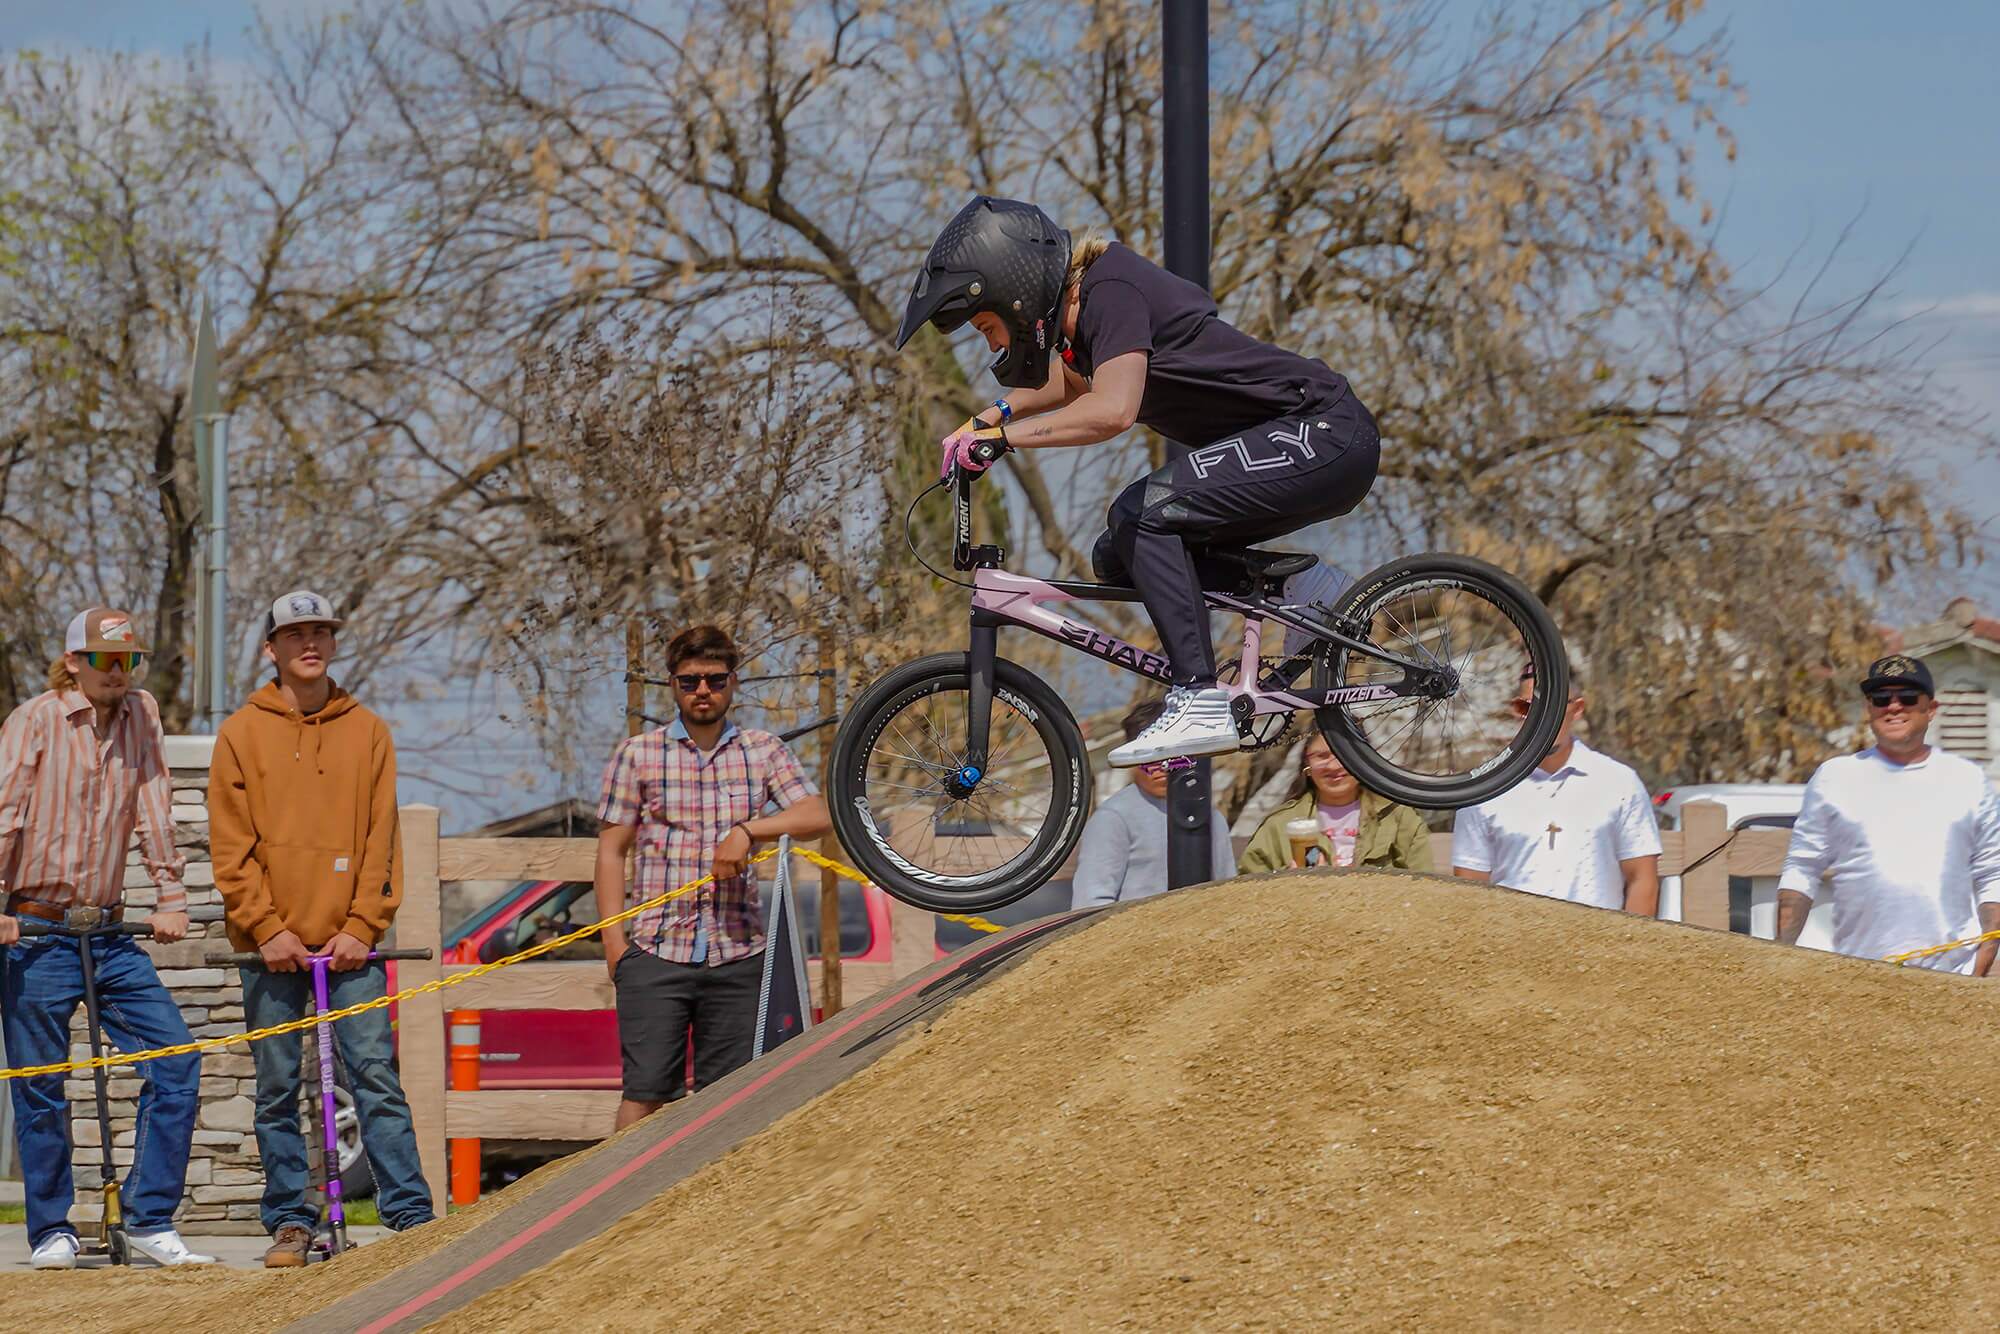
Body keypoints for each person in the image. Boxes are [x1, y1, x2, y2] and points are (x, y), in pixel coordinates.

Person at [894, 196, 1380, 768]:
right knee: (1118, 553)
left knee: (1141, 514)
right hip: (1303, 446)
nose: (993, 344)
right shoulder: (1087, 320)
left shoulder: (1111, 289)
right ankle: (1307, 590)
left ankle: (1197, 695)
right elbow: (1069, 385)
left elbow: (1111, 410)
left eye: (986, 325)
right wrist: (987, 420)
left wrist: (1004, 440)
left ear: (1011, 289)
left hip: (1321, 432)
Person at [208, 591, 435, 1267]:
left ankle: (410, 1218)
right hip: (268, 950)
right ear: (271, 648)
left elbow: (380, 841)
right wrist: (266, 927)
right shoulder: (241, 734)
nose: (310, 642)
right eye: (294, 633)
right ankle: (290, 1222)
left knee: (376, 1081)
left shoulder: (367, 730)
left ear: (333, 643)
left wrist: (363, 925)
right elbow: (230, 847)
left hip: (349, 948)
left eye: (321, 632)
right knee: (277, 1090)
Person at [0, 608, 214, 1269]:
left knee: (175, 1061)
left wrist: (172, 897)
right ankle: (51, 1231)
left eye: (127, 661)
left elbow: (153, 805)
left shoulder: (142, 713)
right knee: (41, 1087)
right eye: (105, 660)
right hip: (35, 930)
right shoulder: (34, 720)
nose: (119, 672)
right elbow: (4, 811)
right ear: (73, 663)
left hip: (110, 930)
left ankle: (149, 1218)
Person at [594, 625, 830, 1130]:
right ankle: (628, 1206)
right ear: (672, 685)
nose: (703, 691)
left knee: (729, 1106)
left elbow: (818, 814)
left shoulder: (762, 751)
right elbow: (612, 851)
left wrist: (750, 829)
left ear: (733, 683)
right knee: (644, 1098)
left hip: (738, 955)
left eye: (715, 680)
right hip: (655, 952)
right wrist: (616, 946)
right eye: (689, 681)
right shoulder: (637, 754)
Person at [1776, 655, 2000, 973]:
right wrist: (1782, 953)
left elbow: (1992, 874)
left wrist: (1983, 958)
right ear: (1869, 709)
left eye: (1908, 697)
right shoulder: (1835, 777)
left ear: (1931, 709)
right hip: (1857, 975)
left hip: (1953, 976)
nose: (1893, 706)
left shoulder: (1969, 780)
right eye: (1881, 698)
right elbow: (1802, 867)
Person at [1450, 665, 1661, 915]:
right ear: (1516, 711)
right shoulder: (1485, 788)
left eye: (1554, 704)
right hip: (1514, 945)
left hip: (1597, 946)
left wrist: (1629, 948)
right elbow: (1470, 891)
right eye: (1527, 707)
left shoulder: (1619, 782)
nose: (1541, 716)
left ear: (1578, 708)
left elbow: (1642, 879)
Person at [1070, 699, 1237, 909]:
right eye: (1148, 757)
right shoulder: (1113, 818)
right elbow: (1090, 905)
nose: (1160, 768)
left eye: (1168, 755)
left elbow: (1227, 895)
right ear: (1131, 758)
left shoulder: (1211, 818)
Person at [1240, 730, 1433, 874]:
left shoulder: (1398, 817)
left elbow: (1425, 888)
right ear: (1307, 763)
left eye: (1343, 755)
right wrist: (1287, 883)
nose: (1333, 766)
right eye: (1321, 756)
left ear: (1363, 759)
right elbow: (1249, 895)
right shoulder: (1280, 824)